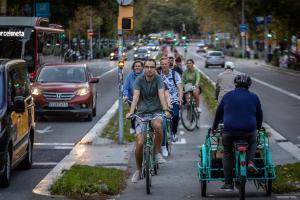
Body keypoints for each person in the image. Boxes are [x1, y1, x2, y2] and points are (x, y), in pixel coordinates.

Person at [212, 74, 263, 191]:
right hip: (248, 131)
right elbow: (259, 115)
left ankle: (228, 183)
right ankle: (250, 161)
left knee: (227, 153)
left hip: (230, 131)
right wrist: (258, 127)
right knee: (253, 140)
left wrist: (214, 127)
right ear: (249, 85)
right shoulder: (254, 97)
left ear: (235, 84)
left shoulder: (227, 96)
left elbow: (219, 113)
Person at [126, 59, 169, 183]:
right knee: (139, 143)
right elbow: (135, 97)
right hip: (141, 114)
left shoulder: (158, 79)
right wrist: (131, 111)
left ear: (155, 68)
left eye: (152, 67)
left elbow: (162, 95)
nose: (149, 69)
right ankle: (139, 170)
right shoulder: (138, 80)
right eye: (147, 67)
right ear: (144, 68)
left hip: (156, 112)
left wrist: (165, 109)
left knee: (158, 125)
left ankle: (156, 153)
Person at [159, 57, 183, 143]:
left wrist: (180, 98)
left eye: (166, 64)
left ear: (169, 64)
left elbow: (180, 87)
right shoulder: (158, 75)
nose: (164, 65)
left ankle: (174, 132)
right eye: (162, 64)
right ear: (160, 65)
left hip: (174, 99)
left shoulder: (175, 74)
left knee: (176, 116)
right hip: (161, 100)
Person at [123, 60, 144, 134]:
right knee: (133, 112)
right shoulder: (130, 76)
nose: (137, 67)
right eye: (136, 66)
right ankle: (132, 126)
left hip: (143, 99)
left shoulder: (145, 75)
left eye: (139, 66)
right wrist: (125, 96)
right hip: (132, 98)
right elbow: (126, 87)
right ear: (133, 67)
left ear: (142, 67)